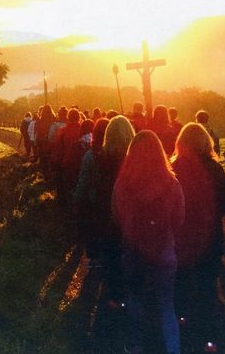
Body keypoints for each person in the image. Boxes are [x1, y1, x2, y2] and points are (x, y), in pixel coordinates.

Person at [112, 130, 185, 354]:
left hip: (133, 251)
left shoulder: (123, 183)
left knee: (135, 299)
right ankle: (173, 349)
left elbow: (116, 214)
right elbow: (179, 218)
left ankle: (136, 345)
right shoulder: (171, 183)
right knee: (166, 304)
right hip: (163, 250)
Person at [171, 122, 225, 352]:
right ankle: (208, 339)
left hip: (181, 238)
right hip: (210, 238)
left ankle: (181, 325)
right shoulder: (217, 171)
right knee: (207, 289)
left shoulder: (173, 168)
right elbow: (224, 204)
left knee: (181, 284)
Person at [93, 115, 135, 307]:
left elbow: (97, 188)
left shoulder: (101, 158)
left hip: (106, 214)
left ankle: (114, 297)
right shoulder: (134, 161)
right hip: (130, 215)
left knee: (111, 254)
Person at [74, 117, 109, 259]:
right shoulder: (121, 154)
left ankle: (94, 260)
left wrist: (77, 199)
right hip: (113, 200)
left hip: (94, 198)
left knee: (94, 229)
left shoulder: (90, 154)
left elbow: (83, 180)